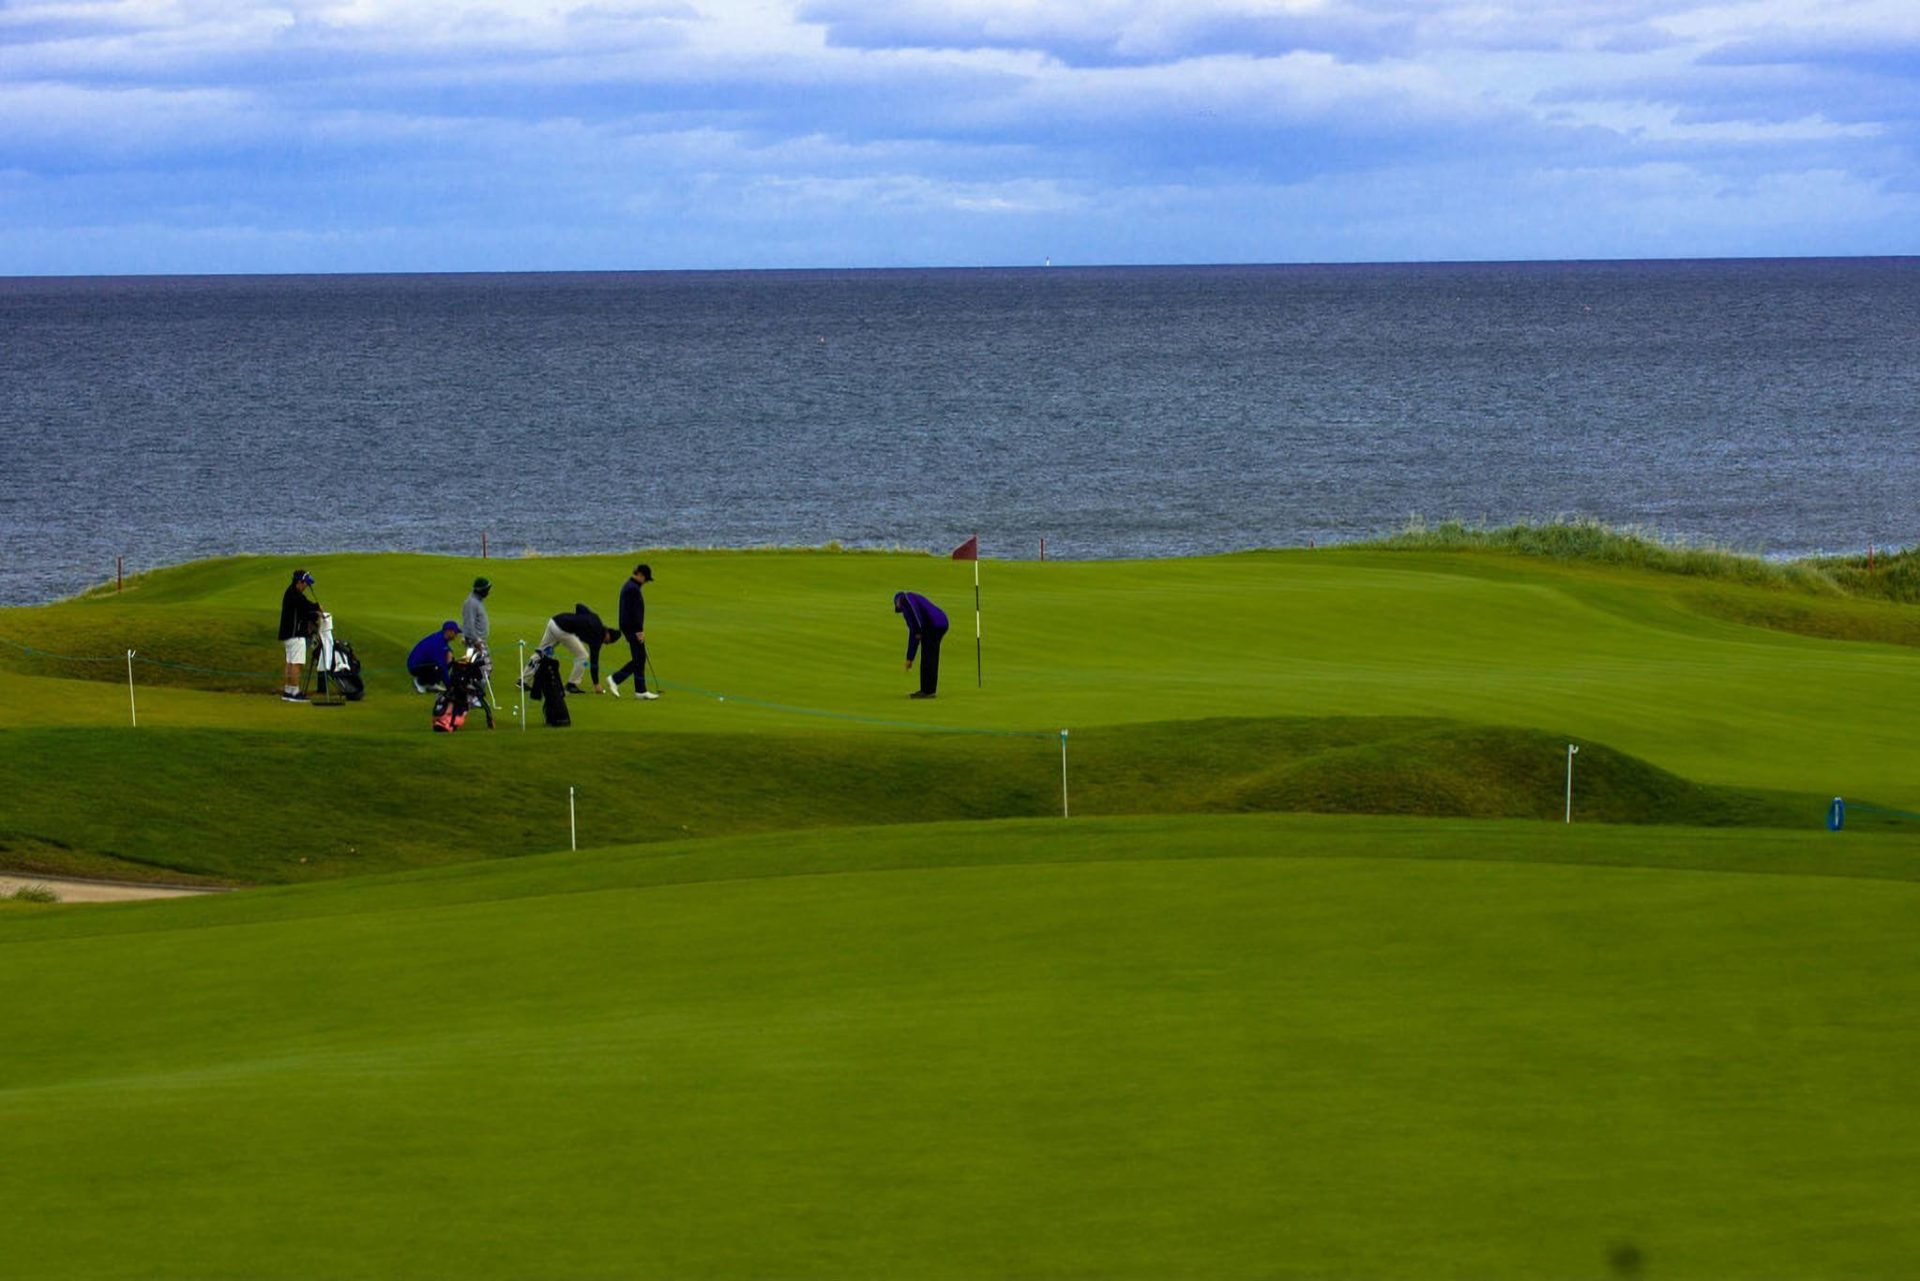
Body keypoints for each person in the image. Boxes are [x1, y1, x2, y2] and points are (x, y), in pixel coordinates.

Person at [525, 603, 618, 695]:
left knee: (542, 652)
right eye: (609, 642)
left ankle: (523, 680)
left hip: (554, 621)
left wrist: (577, 621)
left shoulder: (596, 618)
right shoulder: (597, 638)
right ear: (608, 635)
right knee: (583, 656)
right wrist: (596, 683)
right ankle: (572, 684)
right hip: (563, 630)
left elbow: (579, 606)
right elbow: (594, 662)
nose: (606, 643)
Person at [607, 563, 659, 700]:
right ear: (640, 575)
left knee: (640, 657)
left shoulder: (630, 586)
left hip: (628, 627)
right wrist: (639, 631)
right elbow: (634, 613)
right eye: (646, 579)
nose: (646, 582)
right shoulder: (633, 589)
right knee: (639, 659)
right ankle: (615, 679)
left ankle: (640, 691)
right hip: (632, 628)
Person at [893, 590, 949, 699]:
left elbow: (915, 629)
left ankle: (927, 691)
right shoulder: (910, 600)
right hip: (939, 623)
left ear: (897, 602)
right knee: (930, 656)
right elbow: (915, 632)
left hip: (935, 625)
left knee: (928, 657)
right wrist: (910, 657)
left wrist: (910, 657)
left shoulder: (906, 600)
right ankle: (928, 690)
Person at [277, 569, 320, 703]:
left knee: (290, 662)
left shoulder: (291, 592)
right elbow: (306, 608)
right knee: (297, 663)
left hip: (288, 634)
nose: (306, 586)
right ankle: (294, 692)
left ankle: (288, 690)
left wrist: (314, 609)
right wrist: (317, 609)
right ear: (299, 582)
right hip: (295, 634)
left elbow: (304, 608)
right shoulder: (295, 595)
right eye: (305, 583)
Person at [407, 620, 463, 692]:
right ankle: (420, 682)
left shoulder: (440, 638)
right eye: (455, 632)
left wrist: (449, 651)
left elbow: (445, 651)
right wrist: (449, 686)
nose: (456, 635)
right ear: (448, 631)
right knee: (438, 667)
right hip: (415, 666)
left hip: (422, 664)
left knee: (448, 660)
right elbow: (441, 665)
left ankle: (431, 684)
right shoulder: (437, 642)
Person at [461, 577, 492, 675]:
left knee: (472, 666)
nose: (488, 592)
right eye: (487, 590)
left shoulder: (477, 602)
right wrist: (476, 641)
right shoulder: (471, 603)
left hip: (476, 641)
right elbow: (469, 624)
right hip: (475, 642)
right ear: (481, 590)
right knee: (485, 668)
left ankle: (471, 687)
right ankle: (475, 687)